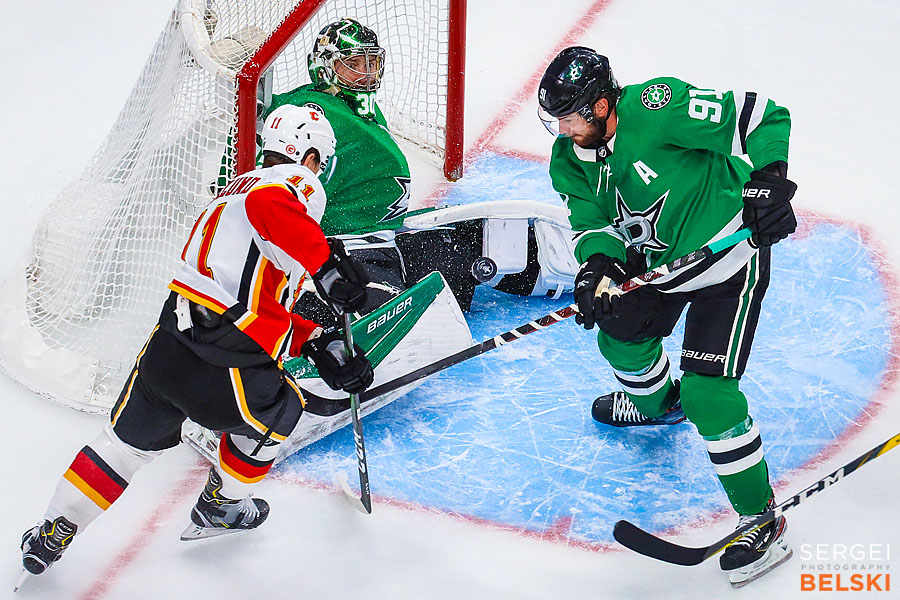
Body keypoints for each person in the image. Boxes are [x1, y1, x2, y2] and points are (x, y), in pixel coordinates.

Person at [19, 105, 374, 578]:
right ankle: (222, 505)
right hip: (225, 361)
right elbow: (270, 218)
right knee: (282, 409)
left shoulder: (230, 193)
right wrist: (327, 267)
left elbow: (248, 303)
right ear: (308, 157)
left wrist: (312, 342)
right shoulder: (285, 188)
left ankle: (52, 531)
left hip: (168, 347)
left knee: (121, 447)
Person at [537, 46, 798, 587]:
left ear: (604, 104)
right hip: (659, 265)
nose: (564, 130)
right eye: (556, 120)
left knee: (711, 395)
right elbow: (590, 223)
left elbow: (759, 112)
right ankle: (659, 405)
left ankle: (761, 518)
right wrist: (598, 269)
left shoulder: (659, 107)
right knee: (618, 335)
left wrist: (768, 177)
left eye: (571, 117)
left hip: (729, 259)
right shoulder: (569, 158)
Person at [267, 18, 579, 320]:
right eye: (352, 65)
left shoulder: (355, 108)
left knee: (463, 253)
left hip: (388, 240)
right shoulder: (313, 115)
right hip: (346, 253)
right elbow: (281, 196)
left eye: (370, 63)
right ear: (324, 67)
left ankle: (572, 265)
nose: (365, 74)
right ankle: (312, 320)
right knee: (384, 313)